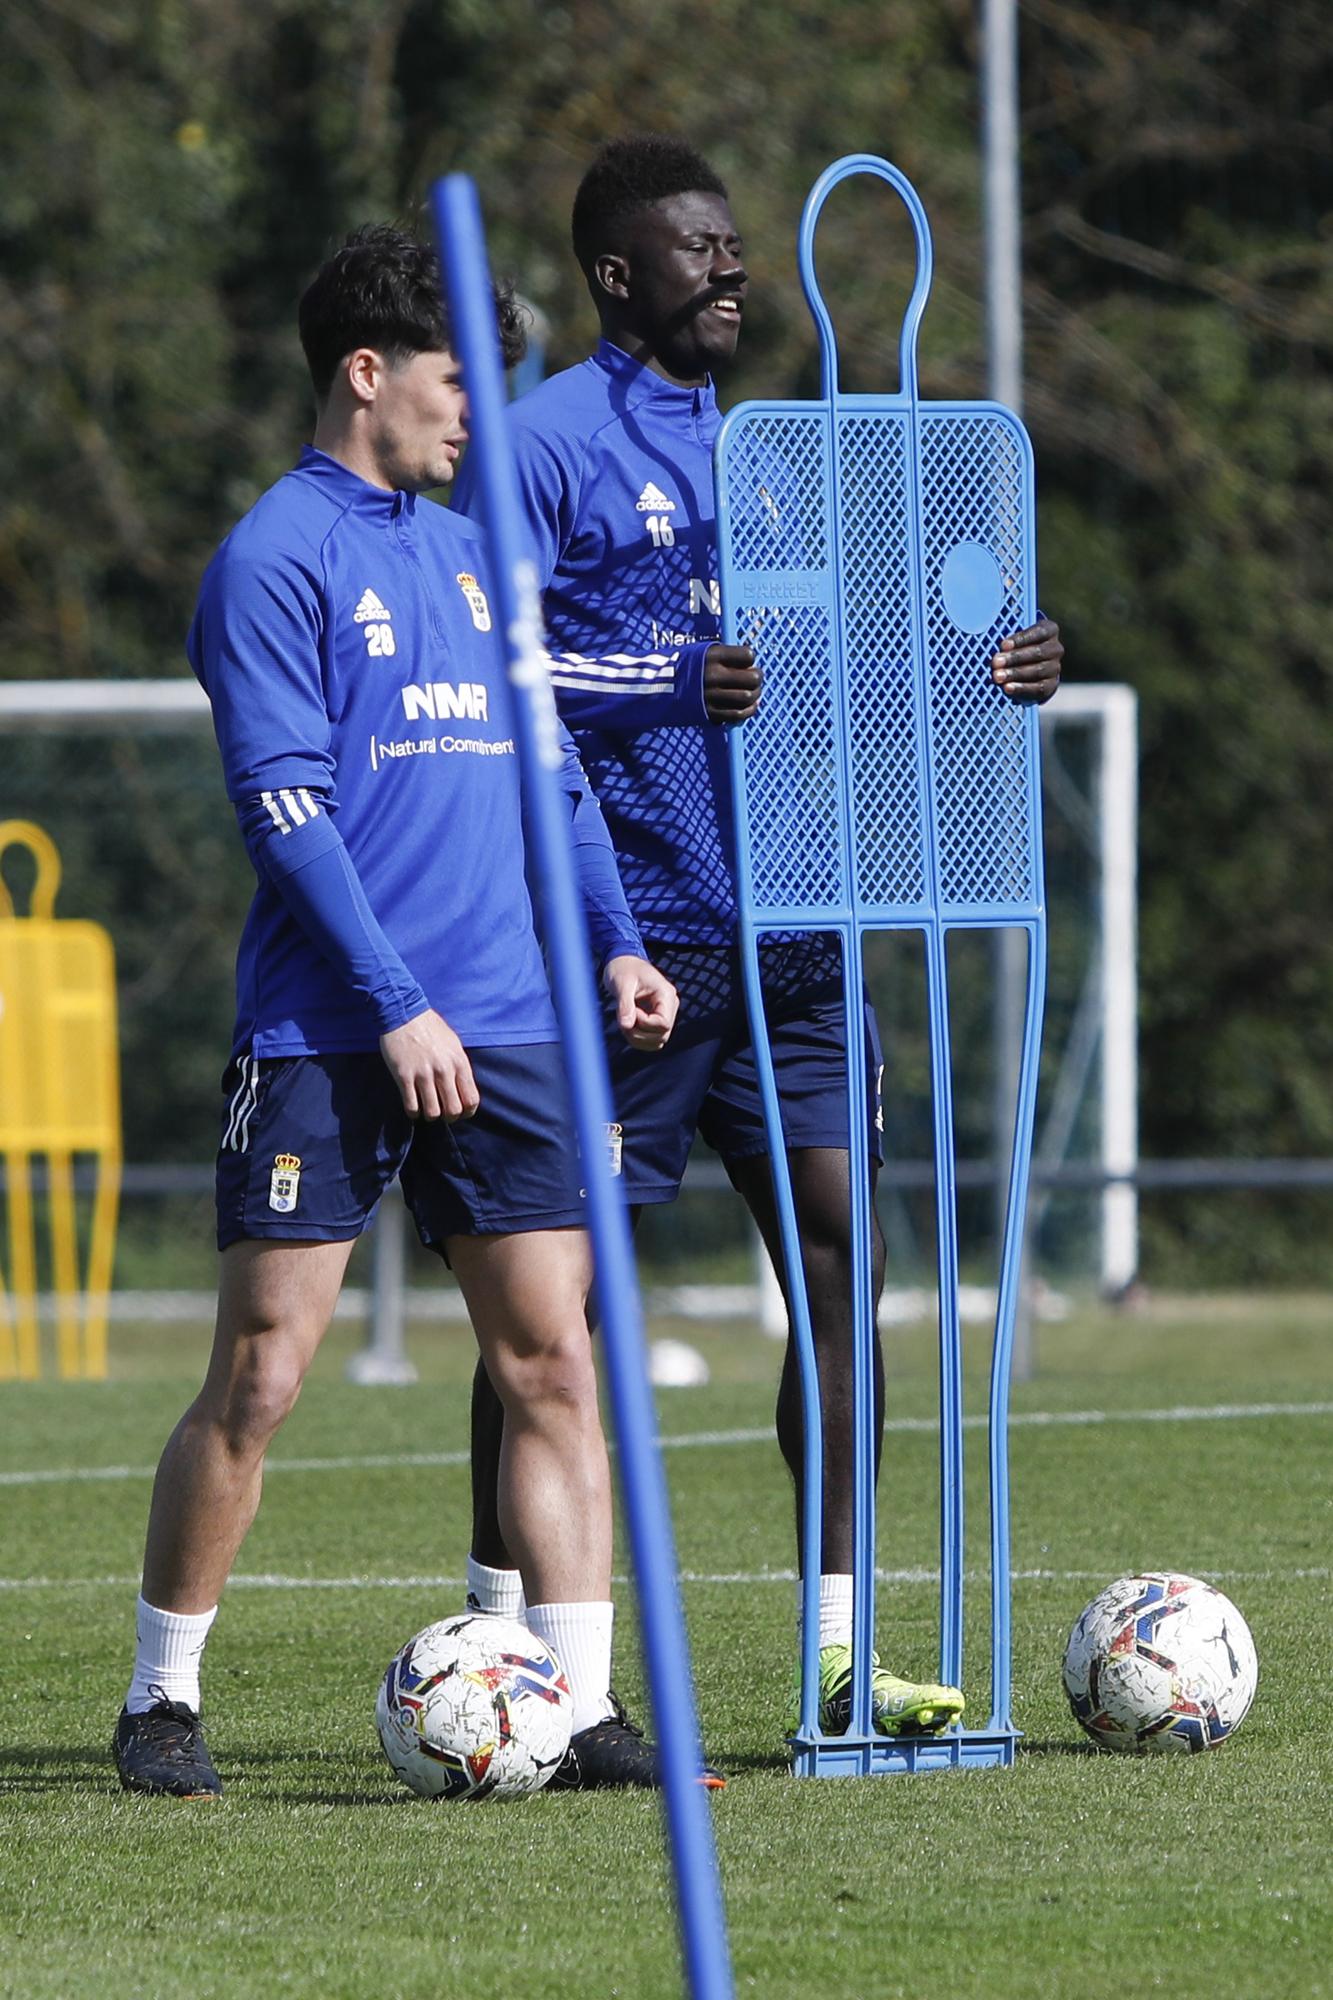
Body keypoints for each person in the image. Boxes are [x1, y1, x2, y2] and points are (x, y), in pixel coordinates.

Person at [453, 137, 1063, 1741]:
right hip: (627, 952)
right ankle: (501, 1644)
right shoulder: (540, 446)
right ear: (615, 275)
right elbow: (491, 688)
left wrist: (984, 665)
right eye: (697, 248)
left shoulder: (776, 453)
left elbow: (851, 667)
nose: (730, 269)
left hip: (799, 942)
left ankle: (839, 1654)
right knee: (552, 1303)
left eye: (735, 245)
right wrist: (655, 683)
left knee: (844, 1270)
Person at [111, 222, 718, 1798]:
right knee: (262, 1371)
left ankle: (579, 1709)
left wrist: (612, 943)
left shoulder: (470, 558)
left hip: (513, 1022)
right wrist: (393, 1005)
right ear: (367, 374)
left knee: (553, 1364)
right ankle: (160, 1698)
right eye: (459, 382)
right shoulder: (271, 558)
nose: (476, 416)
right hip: (333, 1030)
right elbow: (284, 809)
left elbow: (553, 776)